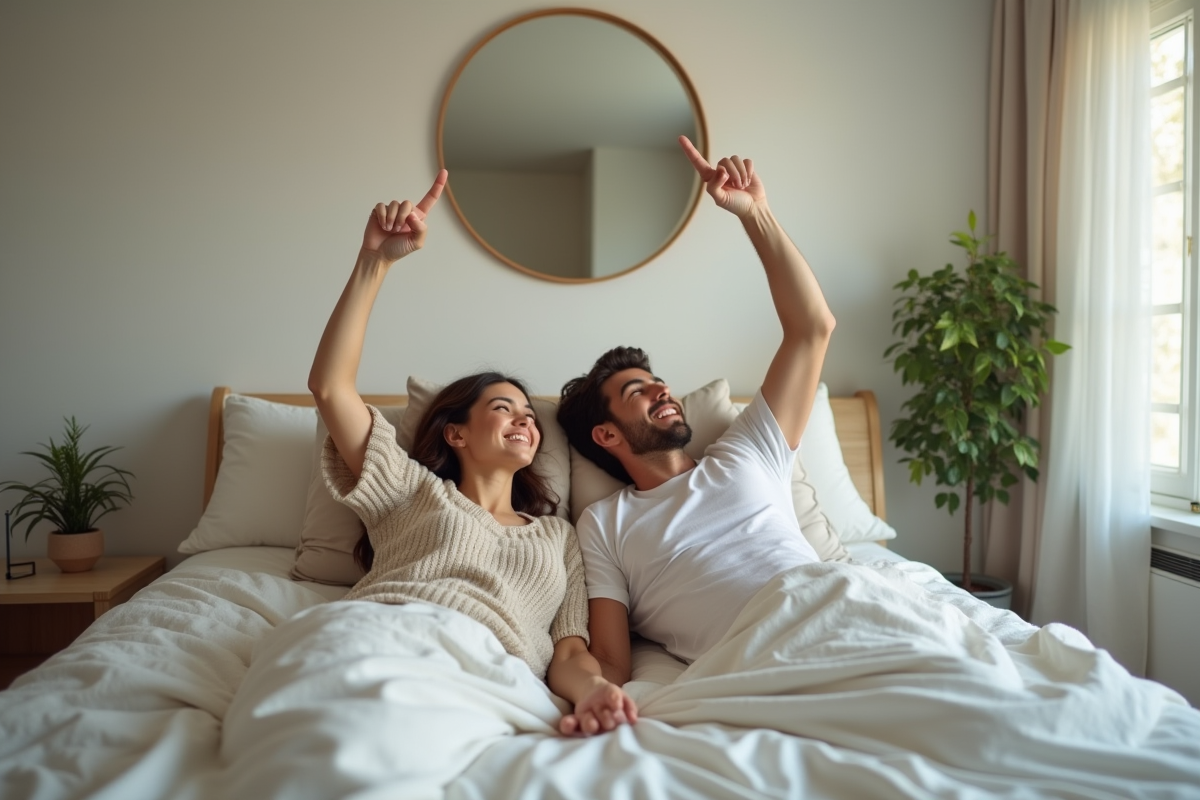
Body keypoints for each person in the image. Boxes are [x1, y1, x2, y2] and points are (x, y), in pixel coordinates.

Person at [308, 168, 636, 736]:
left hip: (493, 672)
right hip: (380, 636)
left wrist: (592, 692)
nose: (525, 420)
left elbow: (568, 652)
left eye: (530, 415)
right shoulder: (409, 489)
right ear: (455, 434)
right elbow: (330, 388)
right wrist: (374, 262)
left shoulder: (559, 537)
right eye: (504, 408)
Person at [557, 137, 837, 683]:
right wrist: (590, 693)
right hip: (759, 658)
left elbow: (813, 328)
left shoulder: (747, 452)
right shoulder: (604, 525)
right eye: (637, 392)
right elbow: (612, 663)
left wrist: (755, 214)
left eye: (659, 383)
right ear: (607, 435)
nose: (662, 391)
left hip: (833, 602)